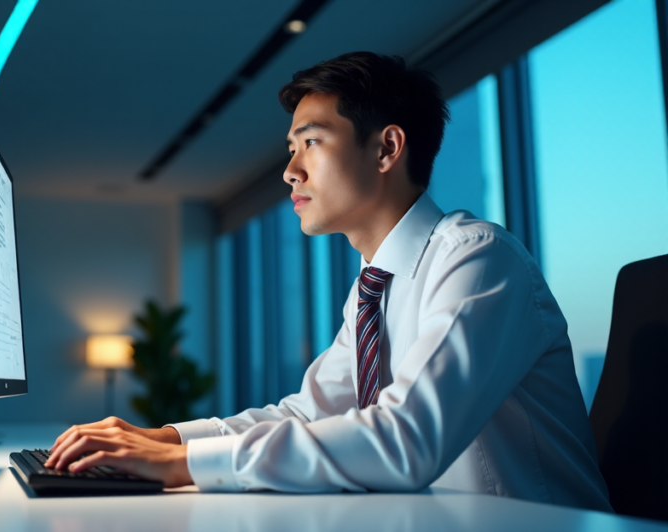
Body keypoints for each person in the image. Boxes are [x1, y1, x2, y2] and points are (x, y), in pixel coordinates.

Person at [44, 52, 611, 511]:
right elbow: (308, 414)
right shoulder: (374, 286)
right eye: (292, 150)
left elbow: (404, 440)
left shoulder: (477, 259)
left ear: (386, 148)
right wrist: (165, 439)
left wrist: (183, 466)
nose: (290, 171)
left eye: (311, 142)